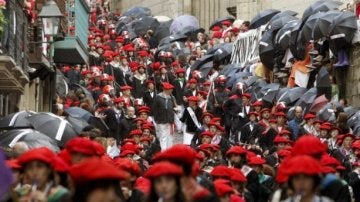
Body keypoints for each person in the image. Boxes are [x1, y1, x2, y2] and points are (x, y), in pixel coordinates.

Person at [152, 82, 177, 150]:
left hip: (170, 120)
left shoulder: (172, 97)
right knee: (163, 136)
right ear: (164, 89)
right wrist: (157, 119)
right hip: (161, 120)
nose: (171, 90)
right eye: (169, 89)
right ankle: (163, 151)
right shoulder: (158, 97)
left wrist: (176, 110)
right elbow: (154, 109)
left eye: (171, 89)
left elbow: (174, 107)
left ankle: (169, 151)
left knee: (170, 137)